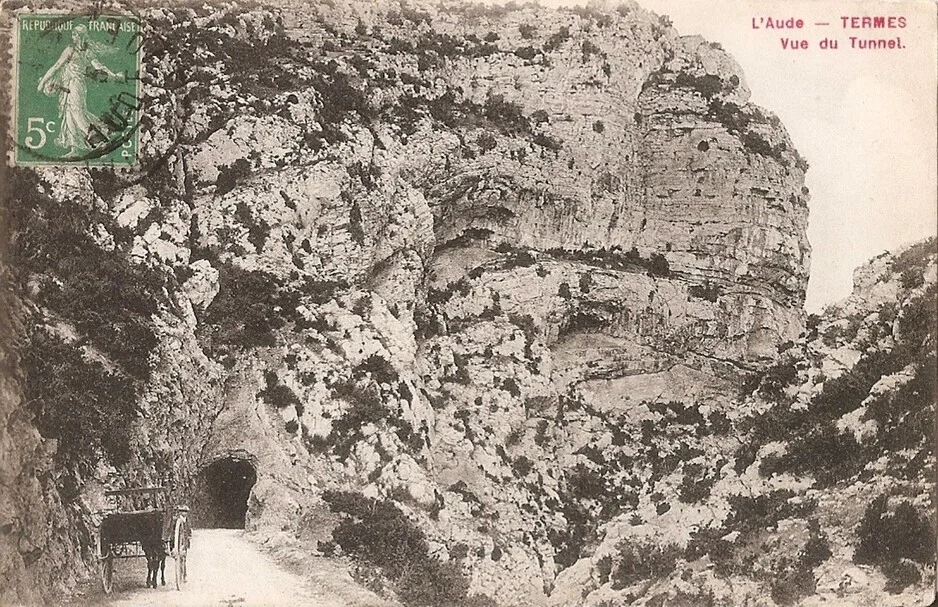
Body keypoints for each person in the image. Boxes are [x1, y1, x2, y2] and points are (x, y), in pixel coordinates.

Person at [37, 24, 124, 157]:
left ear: (80, 36)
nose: (73, 37)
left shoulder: (75, 51)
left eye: (74, 35)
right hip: (69, 85)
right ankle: (74, 150)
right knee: (69, 114)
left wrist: (42, 83)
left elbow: (57, 66)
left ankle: (99, 140)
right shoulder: (79, 51)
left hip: (75, 85)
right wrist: (114, 76)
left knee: (77, 113)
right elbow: (98, 67)